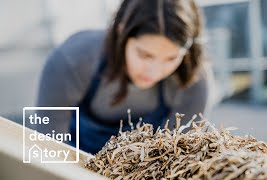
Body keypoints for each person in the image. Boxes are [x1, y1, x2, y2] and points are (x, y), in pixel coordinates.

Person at [36, 0, 215, 154]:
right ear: (121, 32)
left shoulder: (193, 80)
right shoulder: (72, 60)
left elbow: (175, 158)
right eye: (145, 55)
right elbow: (49, 148)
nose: (154, 72)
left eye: (171, 58)